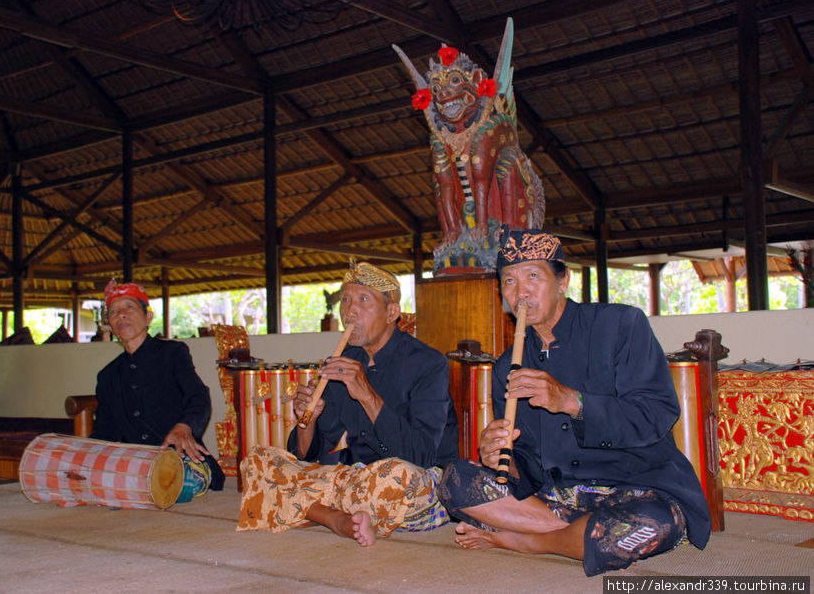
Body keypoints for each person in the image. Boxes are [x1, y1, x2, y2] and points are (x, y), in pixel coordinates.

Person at [438, 227, 711, 576]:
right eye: (508, 281)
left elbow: (655, 414)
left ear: (563, 281)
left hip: (638, 487)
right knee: (454, 480)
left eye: (533, 276)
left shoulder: (622, 325)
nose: (520, 292)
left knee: (651, 522)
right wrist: (503, 457)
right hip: (559, 500)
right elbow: (530, 462)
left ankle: (524, 540)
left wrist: (574, 402)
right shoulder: (509, 364)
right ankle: (574, 535)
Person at [237, 261, 458, 546]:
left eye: (363, 300)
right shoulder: (344, 361)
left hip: (415, 480)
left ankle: (320, 511)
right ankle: (337, 518)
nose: (349, 311)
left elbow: (421, 455)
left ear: (392, 312)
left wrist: (365, 393)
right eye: (346, 301)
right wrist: (309, 420)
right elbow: (308, 455)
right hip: (357, 477)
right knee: (259, 461)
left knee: (395, 478)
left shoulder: (428, 363)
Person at [92, 279, 224, 497]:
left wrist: (185, 426)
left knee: (176, 483)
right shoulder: (107, 376)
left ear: (148, 317)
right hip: (136, 464)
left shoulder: (172, 353)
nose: (121, 315)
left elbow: (198, 397)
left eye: (129, 307)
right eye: (113, 311)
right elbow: (105, 432)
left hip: (182, 459)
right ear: (110, 324)